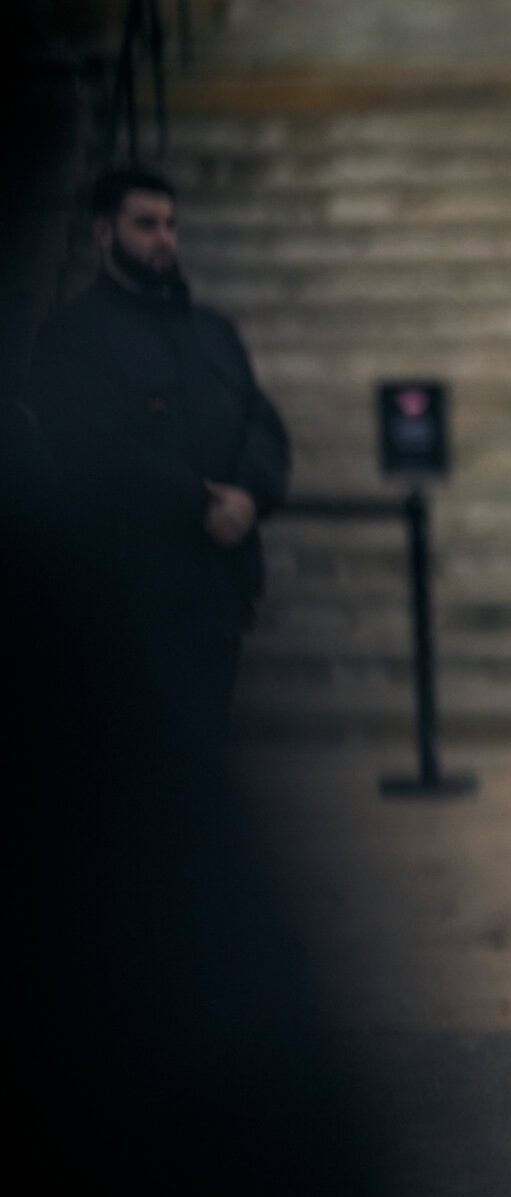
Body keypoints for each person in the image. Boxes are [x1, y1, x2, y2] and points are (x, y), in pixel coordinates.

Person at [29, 167, 290, 756]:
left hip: (217, 596)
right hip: (127, 599)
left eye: (171, 224)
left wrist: (250, 496)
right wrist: (200, 503)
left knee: (203, 764)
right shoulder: (72, 336)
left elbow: (263, 425)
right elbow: (88, 447)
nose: (164, 238)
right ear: (102, 232)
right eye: (145, 224)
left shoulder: (212, 331)